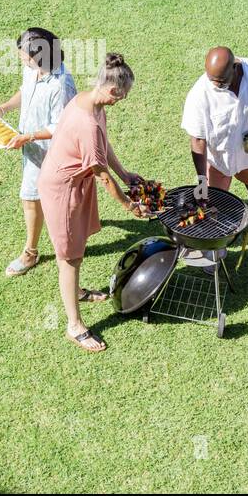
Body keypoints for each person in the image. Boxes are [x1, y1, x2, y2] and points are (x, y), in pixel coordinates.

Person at [38, 52, 145, 353]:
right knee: (69, 257)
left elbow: (104, 146)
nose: (120, 101)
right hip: (63, 189)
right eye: (121, 97)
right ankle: (75, 325)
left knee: (77, 247)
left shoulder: (91, 102)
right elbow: (101, 174)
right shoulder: (88, 122)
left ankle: (78, 291)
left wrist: (126, 174)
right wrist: (128, 205)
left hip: (75, 184)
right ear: (112, 90)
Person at [0, 28, 77, 277]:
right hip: (31, 148)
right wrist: (2, 109)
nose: (21, 60)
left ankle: (31, 253)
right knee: (40, 199)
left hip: (48, 154)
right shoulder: (32, 70)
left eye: (25, 56)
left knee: (31, 198)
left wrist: (29, 137)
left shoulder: (61, 85)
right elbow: (25, 91)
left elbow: (61, 126)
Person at [181, 46, 248, 257]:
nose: (215, 85)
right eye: (212, 80)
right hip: (218, 159)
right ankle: (217, 244)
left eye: (220, 81)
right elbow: (198, 140)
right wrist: (202, 179)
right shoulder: (199, 94)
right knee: (214, 201)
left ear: (235, 67)